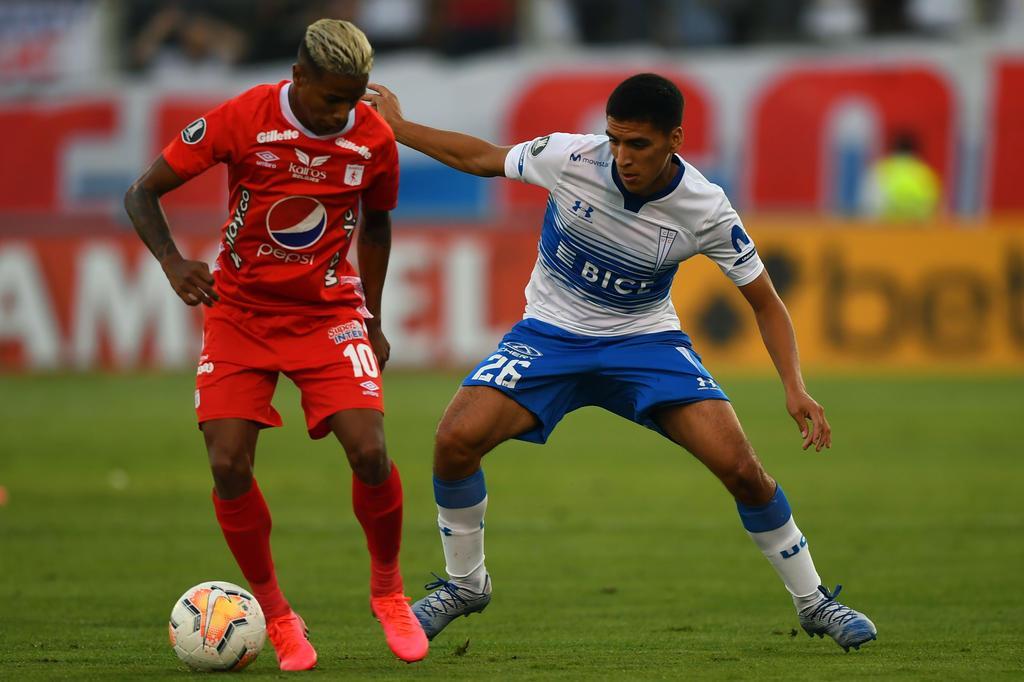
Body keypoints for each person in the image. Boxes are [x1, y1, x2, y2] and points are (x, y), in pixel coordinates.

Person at [363, 73, 878, 652]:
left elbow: (765, 300)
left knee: (742, 470)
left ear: (674, 140)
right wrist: (401, 129)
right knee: (454, 440)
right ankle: (465, 585)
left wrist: (795, 386)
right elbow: (484, 157)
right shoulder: (568, 156)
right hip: (550, 335)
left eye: (640, 145)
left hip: (643, 343)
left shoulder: (705, 208)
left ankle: (814, 603)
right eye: (615, 139)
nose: (623, 157)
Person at [124, 19, 428, 670]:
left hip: (328, 311)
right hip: (241, 311)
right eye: (330, 99)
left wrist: (371, 319)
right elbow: (142, 192)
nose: (341, 112)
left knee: (371, 449)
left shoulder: (373, 139)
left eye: (353, 99)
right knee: (229, 463)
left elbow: (376, 228)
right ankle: (279, 615)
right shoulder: (245, 117)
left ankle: (389, 591)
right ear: (298, 77)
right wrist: (174, 262)